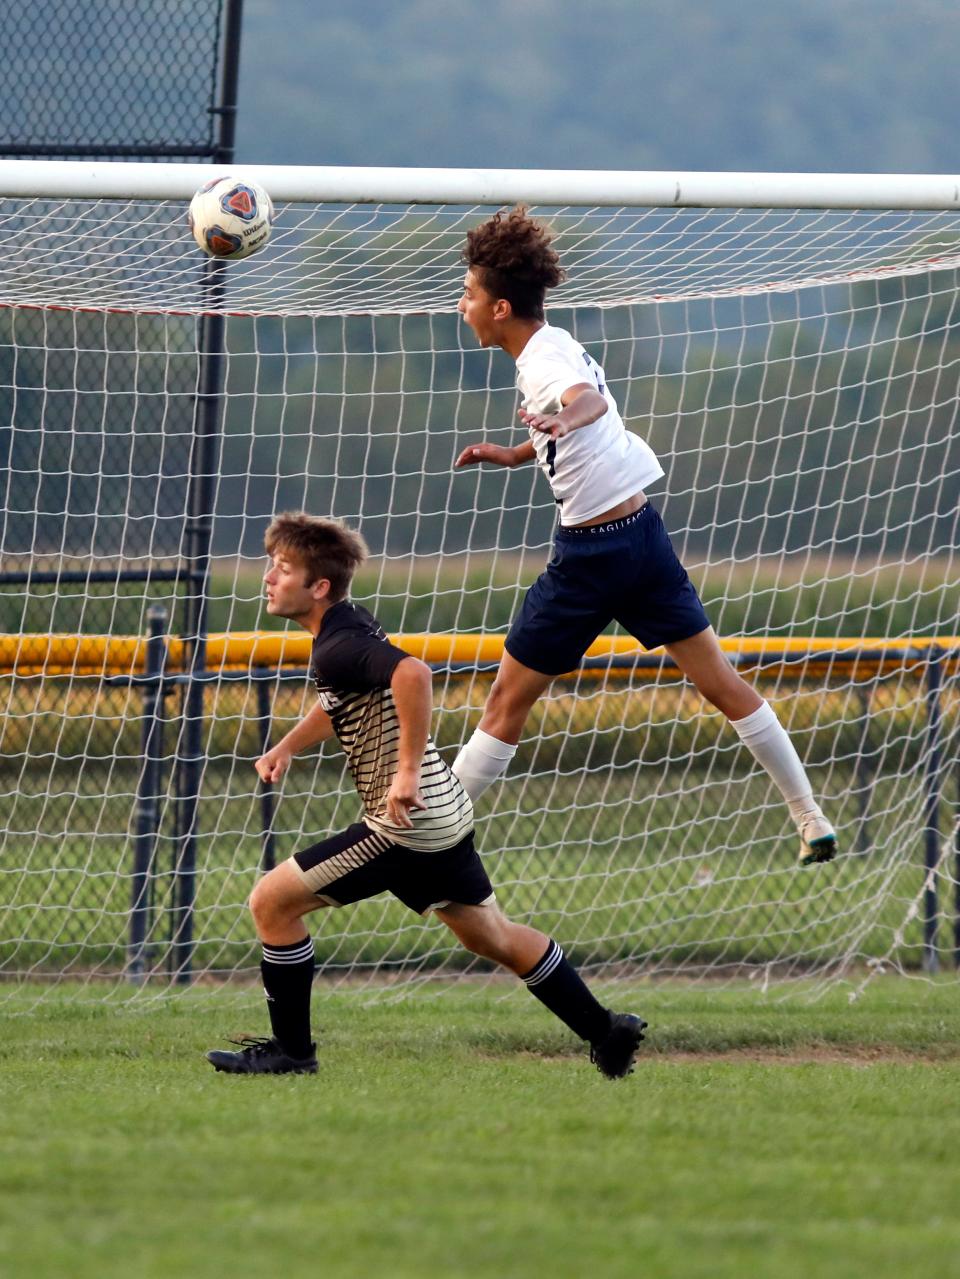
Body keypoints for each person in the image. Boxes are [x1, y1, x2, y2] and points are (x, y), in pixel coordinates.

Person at [452, 206, 836, 868]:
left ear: (500, 306)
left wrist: (569, 418)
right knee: (721, 683)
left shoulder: (547, 366)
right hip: (643, 538)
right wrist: (519, 453)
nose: (462, 305)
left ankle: (424, 837)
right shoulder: (554, 339)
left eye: (469, 295)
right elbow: (574, 416)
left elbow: (586, 404)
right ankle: (809, 814)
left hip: (591, 557)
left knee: (504, 703)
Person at [207, 512, 646, 1079]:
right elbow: (344, 698)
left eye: (282, 569)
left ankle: (292, 1053)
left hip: (404, 824)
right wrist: (288, 744)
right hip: (443, 815)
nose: (269, 577)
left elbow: (412, 673)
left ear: (317, 587)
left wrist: (406, 772)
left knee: (272, 902)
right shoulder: (343, 630)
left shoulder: (337, 644)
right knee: (493, 937)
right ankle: (607, 1031)